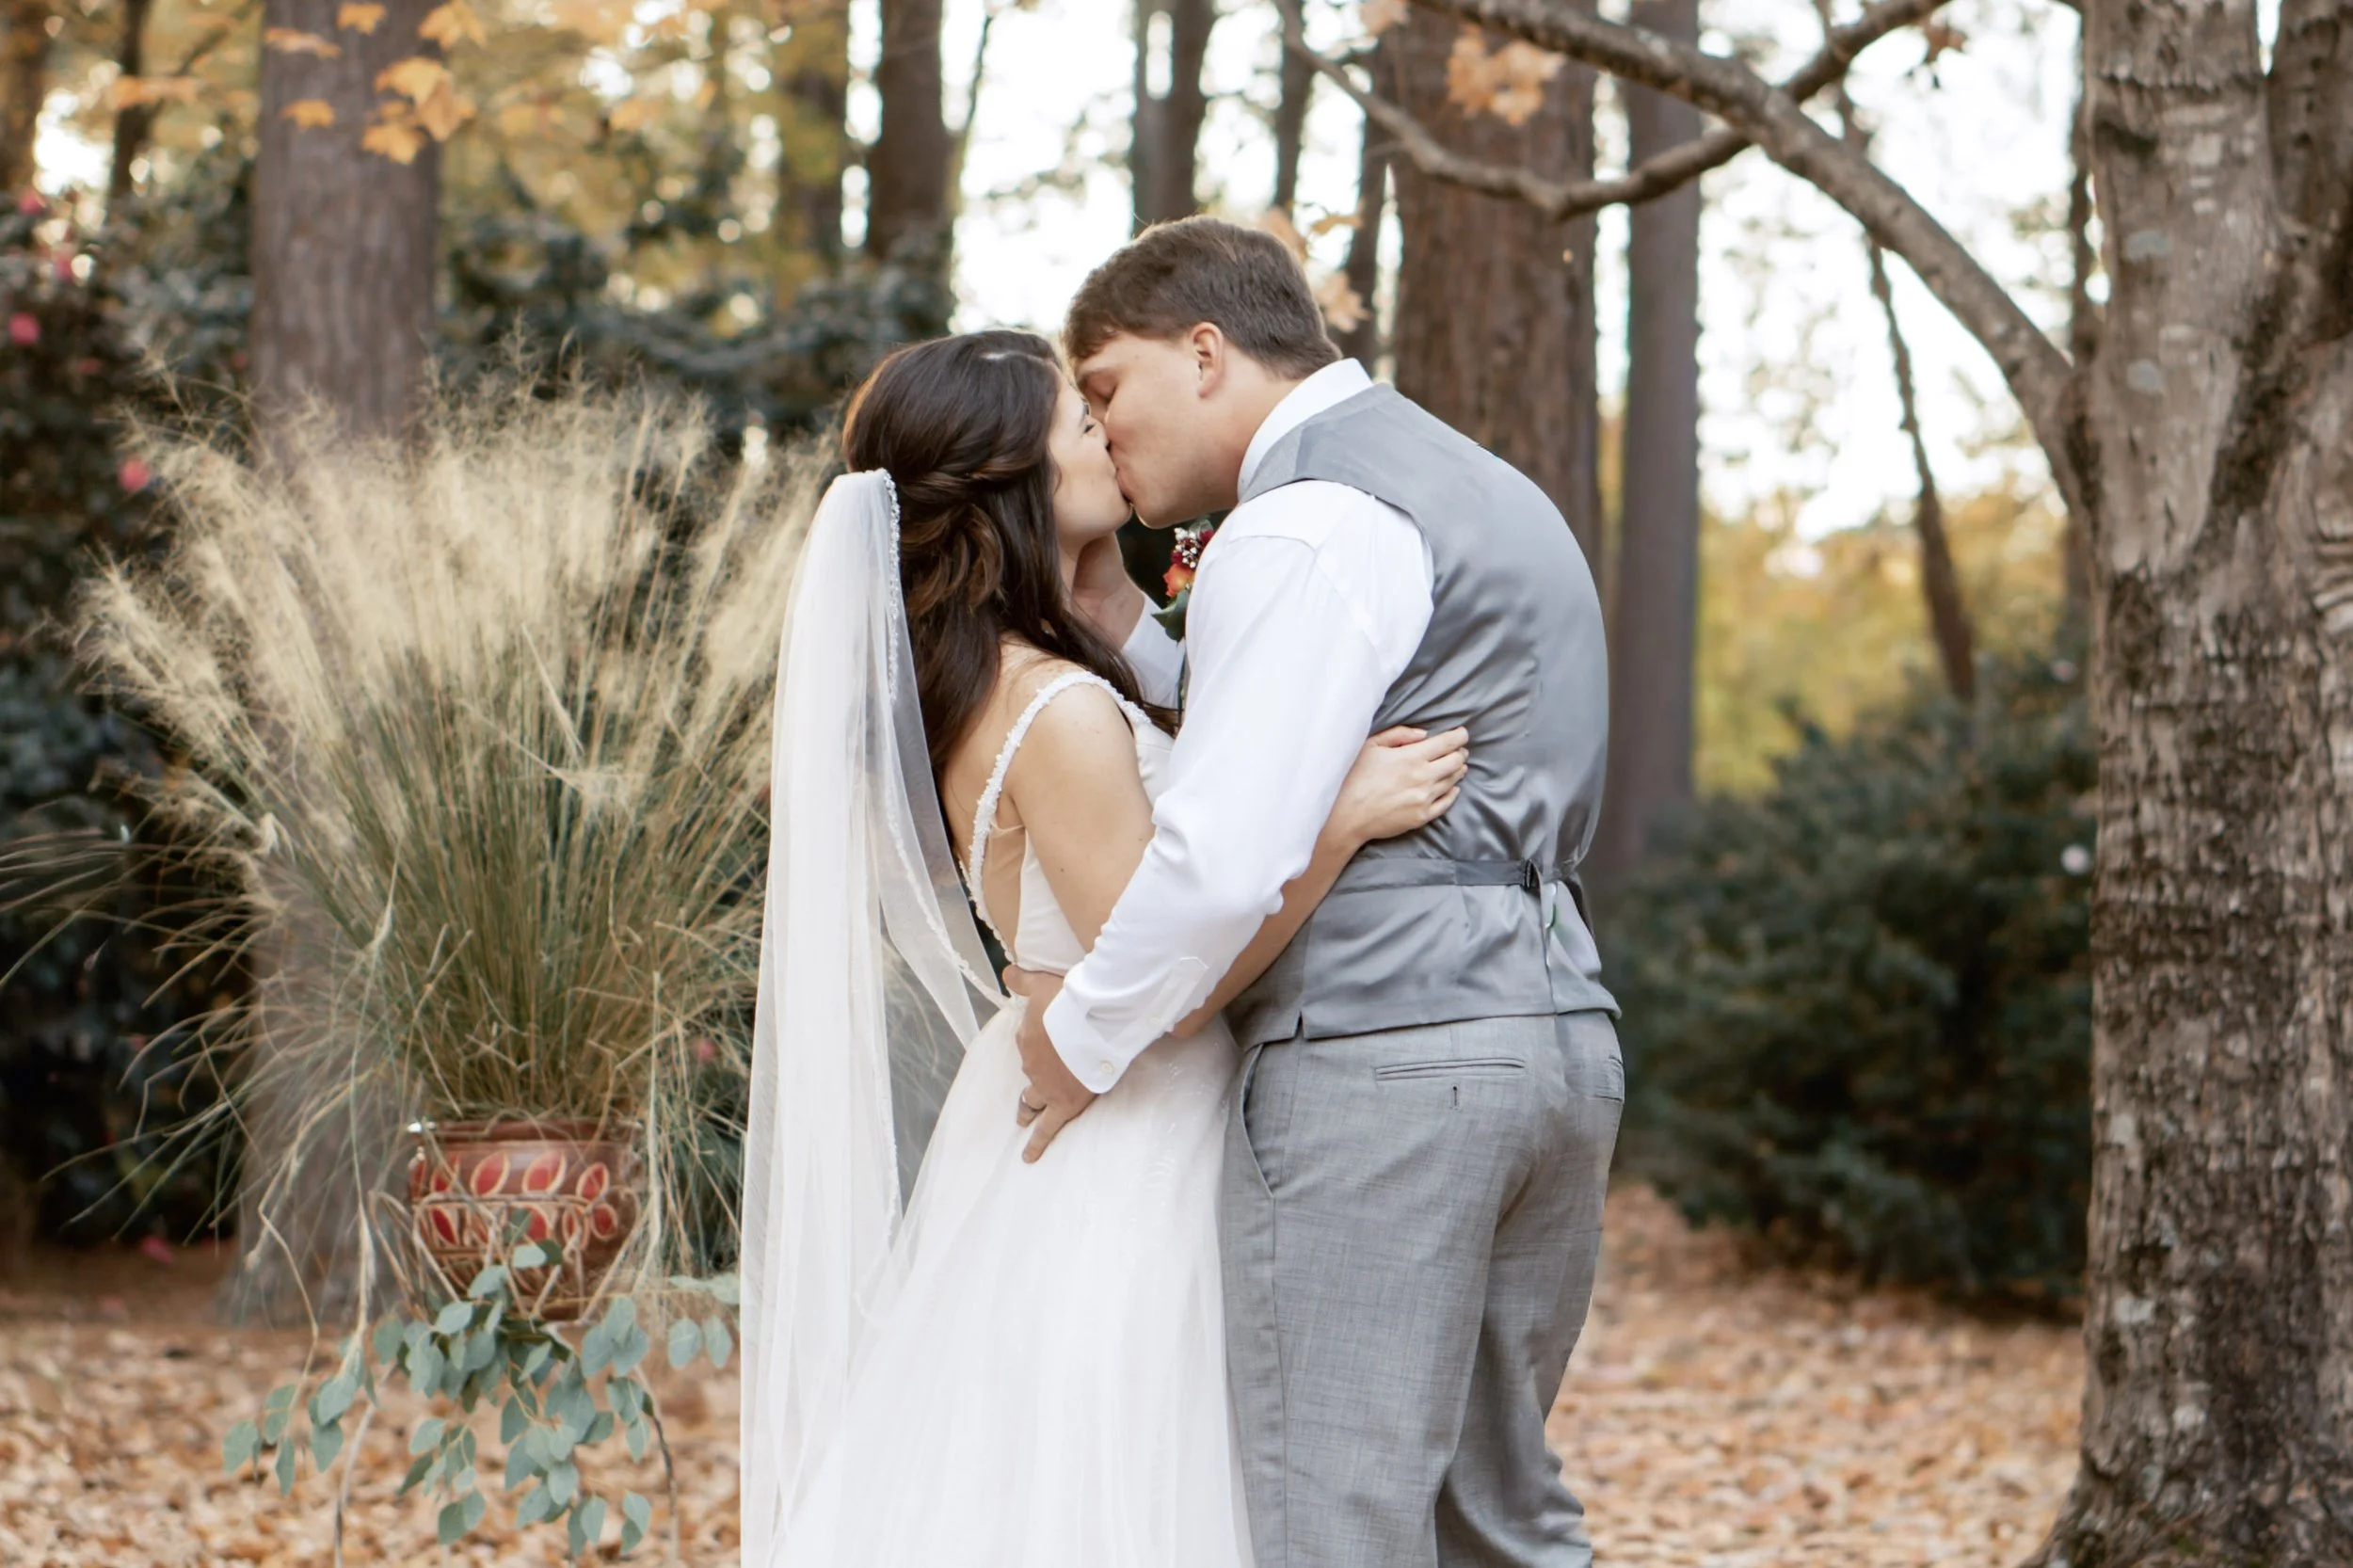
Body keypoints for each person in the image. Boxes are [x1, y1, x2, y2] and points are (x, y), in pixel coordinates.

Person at [736, 328, 1469, 1568]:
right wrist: (1337, 824)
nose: (1107, 435)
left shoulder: (1009, 677)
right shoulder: (1057, 710)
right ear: (1012, 479)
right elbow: (1170, 978)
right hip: (1126, 1132)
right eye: (1078, 425)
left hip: (1044, 1109)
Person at [1009, 216, 1625, 1568]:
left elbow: (1220, 851)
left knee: (1331, 1521)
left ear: (1207, 352)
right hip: (1555, 1036)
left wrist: (1086, 1036)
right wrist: (1118, 613)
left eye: (1108, 387)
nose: (1103, 429)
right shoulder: (1463, 484)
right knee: (1501, 1518)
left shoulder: (1297, 525)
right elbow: (1288, 721)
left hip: (1383, 1064)